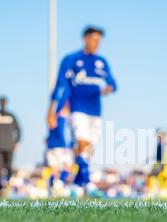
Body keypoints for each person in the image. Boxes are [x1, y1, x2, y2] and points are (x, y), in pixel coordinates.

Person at [47, 26, 117, 194]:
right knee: (82, 141)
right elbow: (59, 86)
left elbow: (113, 84)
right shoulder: (71, 60)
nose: (96, 44)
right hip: (77, 108)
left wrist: (108, 89)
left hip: (96, 110)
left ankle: (76, 183)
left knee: (88, 148)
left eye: (99, 41)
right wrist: (51, 110)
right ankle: (87, 181)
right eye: (94, 39)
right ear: (85, 39)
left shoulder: (102, 62)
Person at [43, 104, 74, 198]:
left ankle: (52, 188)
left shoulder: (51, 118)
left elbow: (51, 133)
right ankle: (58, 184)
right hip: (60, 147)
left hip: (51, 146)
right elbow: (60, 133)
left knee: (54, 170)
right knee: (68, 167)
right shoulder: (61, 118)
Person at [148, 129, 167, 199]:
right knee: (153, 177)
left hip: (164, 164)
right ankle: (155, 192)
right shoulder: (160, 145)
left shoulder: (166, 145)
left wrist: (161, 166)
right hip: (159, 163)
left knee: (166, 178)